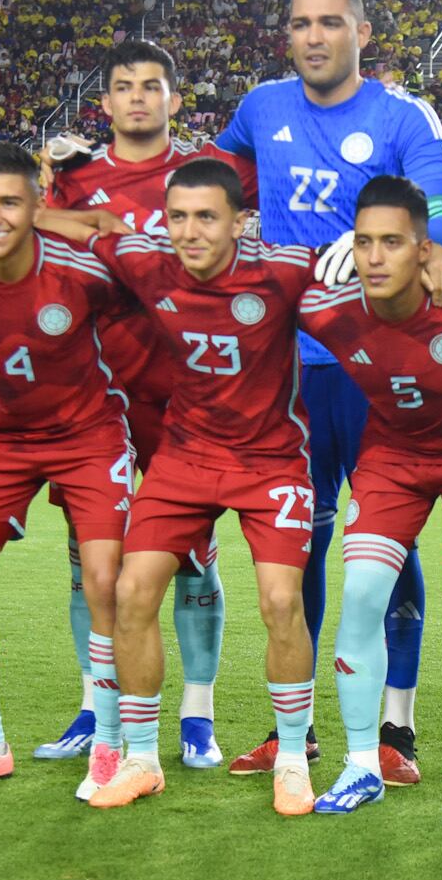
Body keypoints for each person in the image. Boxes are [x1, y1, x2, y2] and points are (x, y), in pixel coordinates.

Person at [216, 0, 442, 783]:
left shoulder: (401, 116)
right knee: (301, 540)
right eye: (300, 23)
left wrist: (415, 254)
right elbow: (207, 192)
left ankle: (397, 725)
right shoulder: (261, 107)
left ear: (362, 31)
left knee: (384, 538)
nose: (314, 36)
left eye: (330, 22)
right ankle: (300, 724)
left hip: (375, 365)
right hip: (286, 368)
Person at [34, 39, 256, 773]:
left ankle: (197, 712)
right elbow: (44, 248)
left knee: (192, 559)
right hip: (96, 394)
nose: (138, 97)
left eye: (152, 86)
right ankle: (96, 701)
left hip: (190, 395)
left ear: (174, 98)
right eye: (124, 86)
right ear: (104, 102)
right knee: (88, 562)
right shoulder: (76, 180)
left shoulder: (204, 176)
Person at [80, 158, 325, 817]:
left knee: (280, 601)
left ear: (241, 222)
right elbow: (94, 224)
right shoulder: (147, 262)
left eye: (206, 217)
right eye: (178, 216)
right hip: (184, 457)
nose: (189, 232)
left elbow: (364, 270)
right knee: (130, 591)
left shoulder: (285, 270)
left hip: (270, 460)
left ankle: (295, 760)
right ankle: (140, 758)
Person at [297, 176, 442, 822]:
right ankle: (362, 763)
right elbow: (245, 273)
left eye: (392, 242)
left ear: (424, 248)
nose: (373, 256)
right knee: (362, 591)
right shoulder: (327, 311)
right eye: (363, 241)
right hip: (392, 458)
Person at [0, 143, 134, 795]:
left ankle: (110, 739)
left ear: (36, 206)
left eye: (9, 201)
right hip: (3, 440)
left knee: (104, 580)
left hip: (90, 435)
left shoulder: (81, 269)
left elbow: (123, 242)